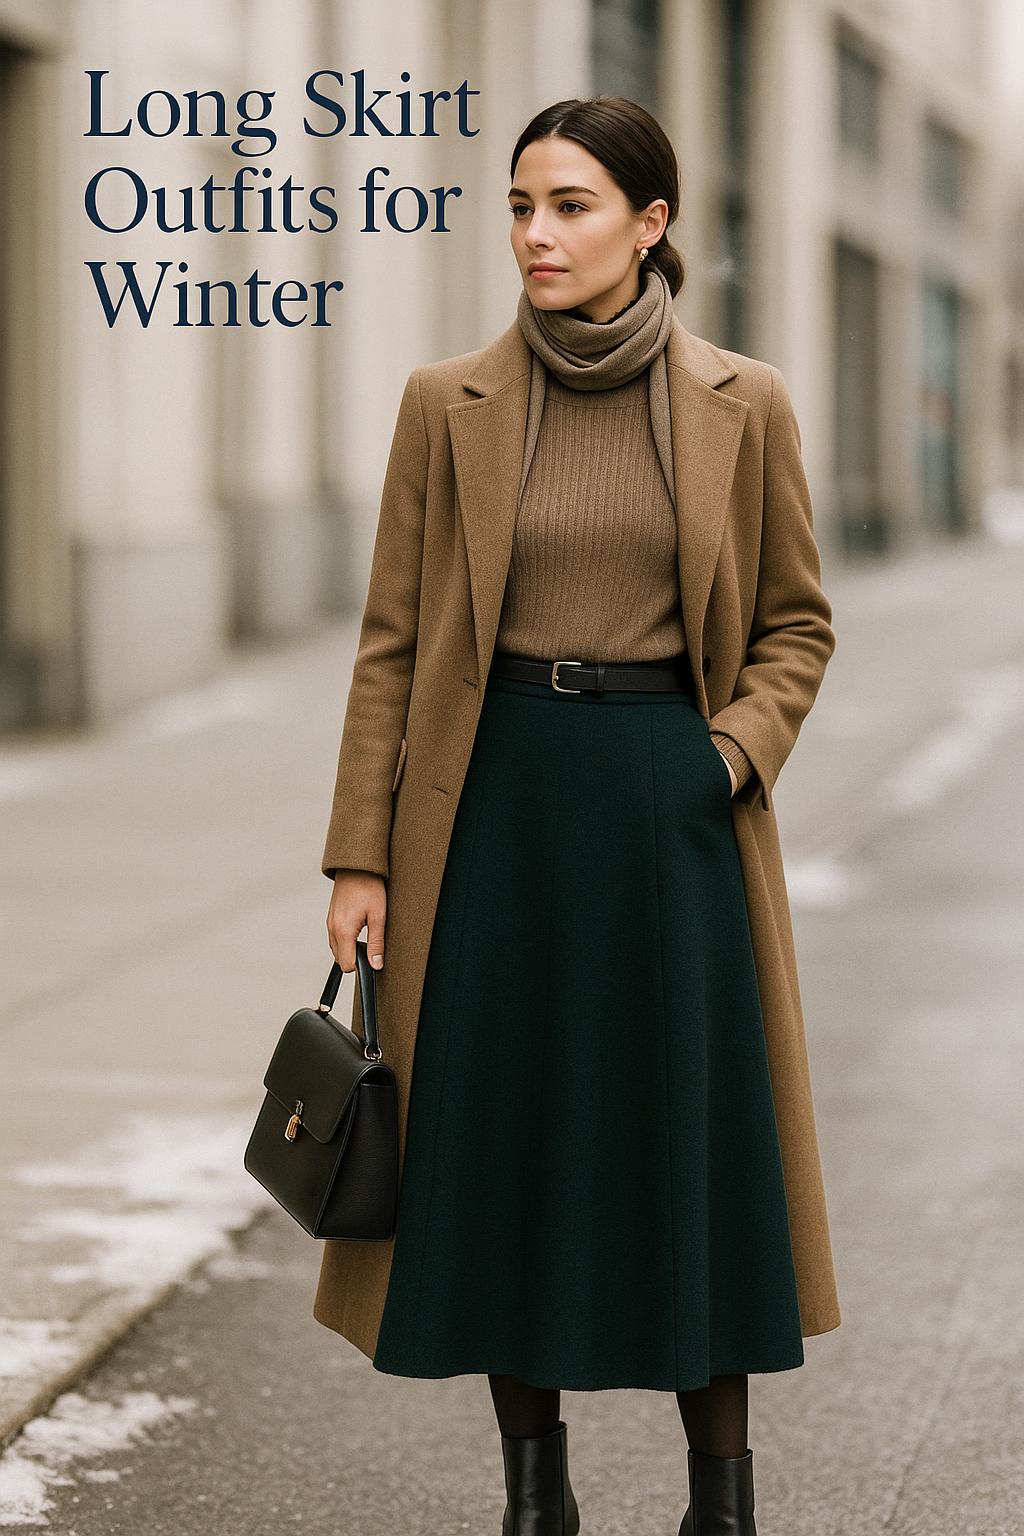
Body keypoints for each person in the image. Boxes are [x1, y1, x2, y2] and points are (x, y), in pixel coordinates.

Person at [319, 95, 842, 1536]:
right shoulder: (448, 402)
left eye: (570, 206)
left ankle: (719, 1503)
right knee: (510, 1136)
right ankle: (535, 1496)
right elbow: (390, 643)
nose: (536, 235)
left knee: (692, 1139)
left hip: (673, 812)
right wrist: (360, 853)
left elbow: (796, 624)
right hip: (494, 816)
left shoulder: (745, 401)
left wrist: (724, 759)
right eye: (520, 206)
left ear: (650, 224)